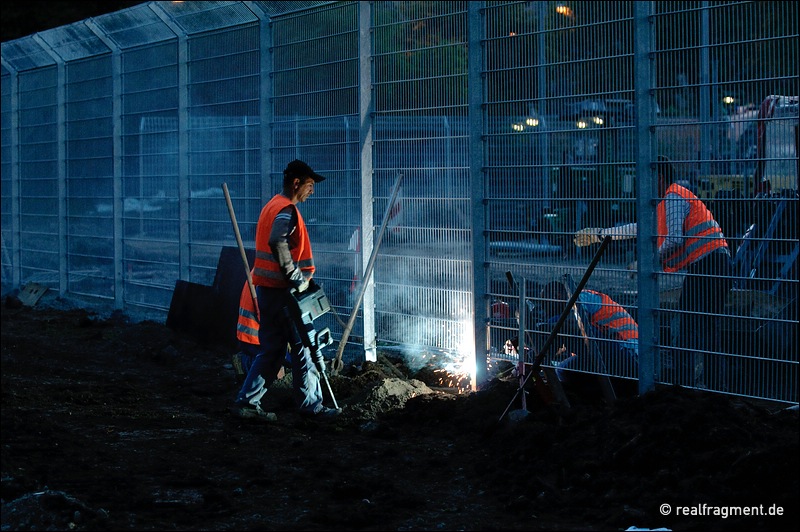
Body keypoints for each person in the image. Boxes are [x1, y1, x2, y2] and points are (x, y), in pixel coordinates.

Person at [574, 156, 733, 387]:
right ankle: (712, 387)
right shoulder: (668, 201)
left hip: (709, 266)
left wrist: (646, 263)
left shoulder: (673, 196)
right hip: (712, 265)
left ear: (658, 178)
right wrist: (601, 233)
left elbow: (675, 239)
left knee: (691, 328)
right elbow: (641, 228)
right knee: (704, 329)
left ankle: (684, 386)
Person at [230, 159, 341, 421]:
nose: (312, 191)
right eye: (310, 185)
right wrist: (296, 278)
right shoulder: (286, 210)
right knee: (304, 348)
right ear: (296, 183)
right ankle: (311, 407)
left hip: (268, 293)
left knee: (272, 351)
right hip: (286, 295)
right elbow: (276, 240)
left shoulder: (271, 206)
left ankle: (246, 402)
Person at [538, 281, 639, 393]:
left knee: (560, 324)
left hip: (627, 351)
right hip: (613, 352)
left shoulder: (582, 296)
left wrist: (544, 328)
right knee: (562, 370)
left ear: (556, 295)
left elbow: (571, 323)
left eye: (545, 303)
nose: (545, 310)